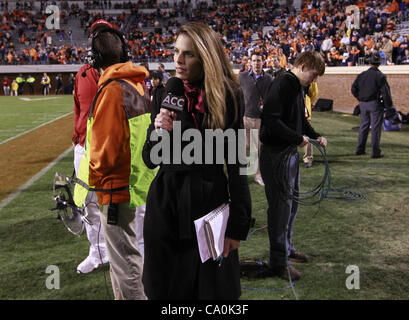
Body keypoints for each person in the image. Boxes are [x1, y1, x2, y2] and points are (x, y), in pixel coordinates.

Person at [142, 22, 252, 300]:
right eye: (176, 51)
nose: (178, 60)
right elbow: (149, 159)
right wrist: (158, 132)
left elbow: (238, 163)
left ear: (206, 56)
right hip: (166, 204)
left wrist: (238, 224)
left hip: (209, 203)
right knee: (165, 291)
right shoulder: (165, 93)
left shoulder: (229, 95)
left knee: (213, 292)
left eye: (188, 54)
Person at [74, 26, 156, 300]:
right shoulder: (135, 82)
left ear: (95, 60)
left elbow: (104, 152)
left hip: (114, 189)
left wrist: (91, 181)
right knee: (124, 259)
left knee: (125, 262)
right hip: (132, 182)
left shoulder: (110, 91)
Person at [258, 51, 328, 281]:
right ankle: (278, 262)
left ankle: (286, 249)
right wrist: (295, 138)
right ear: (304, 65)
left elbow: (300, 120)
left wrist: (315, 136)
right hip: (276, 155)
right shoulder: (284, 83)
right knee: (280, 209)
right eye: (314, 74)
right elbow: (270, 118)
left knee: (291, 205)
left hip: (287, 154)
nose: (315, 80)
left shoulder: (297, 86)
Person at [238, 52, 273, 187]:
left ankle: (258, 175)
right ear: (250, 63)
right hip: (245, 117)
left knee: (258, 149)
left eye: (259, 60)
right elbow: (238, 96)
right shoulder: (242, 77)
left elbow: (271, 99)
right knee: (245, 147)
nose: (256, 63)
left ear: (263, 62)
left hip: (260, 119)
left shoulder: (269, 79)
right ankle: (242, 174)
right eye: (254, 60)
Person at [351, 53, 393, 159]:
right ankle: (375, 152)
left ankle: (360, 149)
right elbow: (385, 93)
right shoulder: (380, 76)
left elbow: (353, 89)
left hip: (363, 104)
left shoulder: (362, 75)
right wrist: (389, 107)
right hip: (375, 104)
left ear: (370, 62)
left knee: (364, 127)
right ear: (379, 63)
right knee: (375, 128)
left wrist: (360, 98)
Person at [303, 81, 319, 168]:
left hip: (304, 110)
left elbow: (314, 93)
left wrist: (309, 103)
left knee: (307, 134)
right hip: (292, 110)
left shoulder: (309, 79)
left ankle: (308, 158)